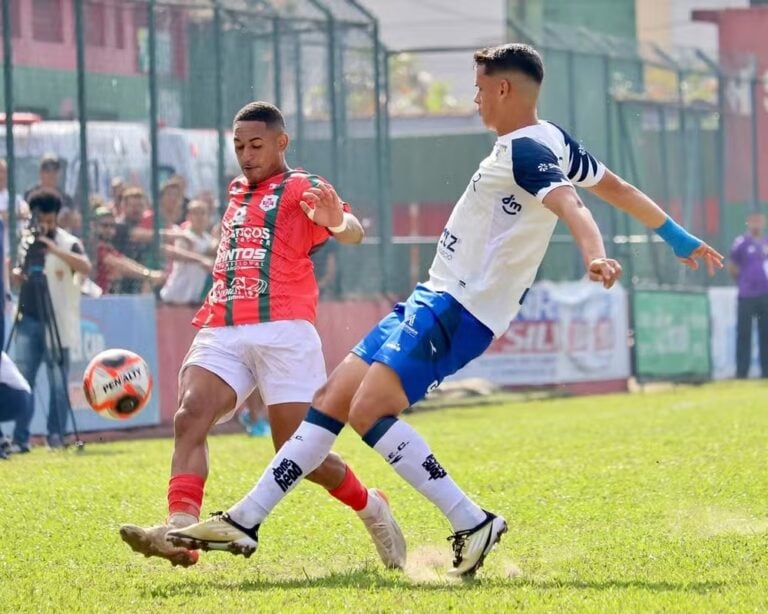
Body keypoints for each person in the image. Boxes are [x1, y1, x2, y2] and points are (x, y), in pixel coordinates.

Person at [168, 44, 724, 578]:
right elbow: (619, 187)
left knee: (367, 412)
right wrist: (677, 238)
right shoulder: (551, 138)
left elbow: (574, 204)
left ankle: (470, 519)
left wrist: (596, 254)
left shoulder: (527, 151)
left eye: (480, 88)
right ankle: (245, 520)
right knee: (331, 400)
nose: (474, 99)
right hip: (432, 295)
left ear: (504, 88)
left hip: (461, 305)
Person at [119, 101, 406, 570]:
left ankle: (372, 505)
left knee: (298, 453)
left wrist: (336, 220)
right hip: (223, 326)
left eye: (256, 145)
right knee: (190, 416)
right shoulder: (236, 191)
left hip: (285, 330)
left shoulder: (302, 186)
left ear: (281, 143)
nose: (246, 155)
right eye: (238, 147)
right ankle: (178, 531)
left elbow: (350, 231)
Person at [11, 189, 92, 450]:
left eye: (46, 217)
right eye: (38, 217)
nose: (42, 222)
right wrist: (17, 274)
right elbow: (18, 273)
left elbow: (85, 267)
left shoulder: (68, 242)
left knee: (58, 381)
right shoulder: (26, 241)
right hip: (28, 317)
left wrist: (54, 249)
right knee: (24, 378)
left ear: (56, 216)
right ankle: (20, 438)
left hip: (58, 320)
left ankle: (55, 435)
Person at [729, 211, 768, 378]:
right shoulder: (741, 243)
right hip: (746, 296)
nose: (756, 224)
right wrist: (743, 281)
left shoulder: (766, 242)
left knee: (765, 334)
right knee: (744, 334)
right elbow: (732, 266)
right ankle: (741, 372)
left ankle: (766, 371)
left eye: (759, 221)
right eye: (753, 221)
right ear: (748, 222)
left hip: (765, 295)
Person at [91, 207, 165, 295]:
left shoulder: (108, 247)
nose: (109, 230)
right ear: (93, 226)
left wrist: (148, 273)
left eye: (112, 226)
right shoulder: (92, 246)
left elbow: (124, 261)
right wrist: (149, 275)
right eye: (104, 225)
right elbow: (118, 265)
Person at [159, 200, 215, 305]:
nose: (199, 217)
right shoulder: (183, 236)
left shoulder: (209, 240)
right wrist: (202, 259)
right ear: (188, 216)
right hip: (174, 297)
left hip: (193, 299)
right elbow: (181, 255)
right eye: (195, 213)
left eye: (202, 213)